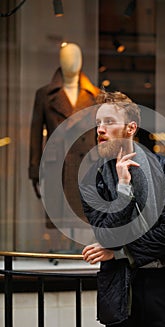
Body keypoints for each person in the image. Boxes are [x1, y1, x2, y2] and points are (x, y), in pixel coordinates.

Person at [79, 91, 165, 327]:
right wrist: (123, 188)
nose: (100, 129)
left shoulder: (164, 168)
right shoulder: (92, 179)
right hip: (121, 291)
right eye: (98, 123)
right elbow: (106, 236)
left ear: (131, 128)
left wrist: (121, 251)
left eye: (109, 122)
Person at [29, 42, 100, 229]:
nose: (72, 62)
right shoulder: (44, 95)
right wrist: (34, 171)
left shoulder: (95, 96)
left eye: (76, 57)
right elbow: (35, 137)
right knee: (59, 217)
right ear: (60, 61)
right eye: (67, 57)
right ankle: (60, 250)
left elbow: (101, 135)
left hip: (86, 165)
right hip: (57, 165)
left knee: (84, 218)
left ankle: (76, 250)